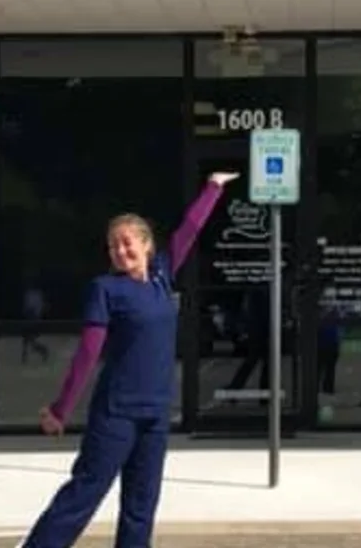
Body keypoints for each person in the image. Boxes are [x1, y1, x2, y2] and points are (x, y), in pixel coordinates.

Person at [16, 171, 240, 548]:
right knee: (84, 494)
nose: (120, 251)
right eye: (112, 247)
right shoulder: (105, 289)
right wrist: (61, 408)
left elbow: (190, 228)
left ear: (146, 245)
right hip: (116, 413)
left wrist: (213, 187)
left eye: (126, 243)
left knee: (141, 505)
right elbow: (88, 352)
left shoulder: (162, 277)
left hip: (155, 414)